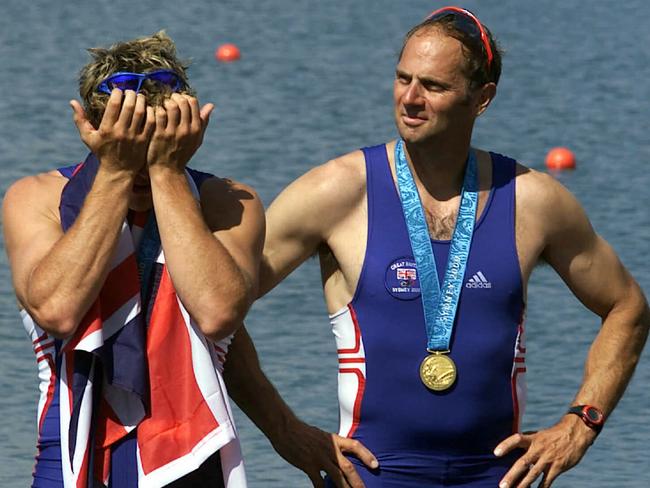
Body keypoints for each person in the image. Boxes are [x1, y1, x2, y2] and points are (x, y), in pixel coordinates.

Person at [222, 6, 650, 488]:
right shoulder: (336, 193)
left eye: (434, 86)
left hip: (498, 477)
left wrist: (580, 424)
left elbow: (627, 307)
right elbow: (216, 309)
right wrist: (284, 430)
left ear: (481, 98)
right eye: (402, 78)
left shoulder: (534, 201)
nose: (410, 98)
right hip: (371, 476)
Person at [2, 32, 264, 487]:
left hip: (191, 459)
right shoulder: (37, 198)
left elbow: (218, 312)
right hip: (71, 457)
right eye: (129, 142)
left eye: (154, 142)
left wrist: (167, 172)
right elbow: (58, 310)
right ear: (88, 126)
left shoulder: (225, 201)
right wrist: (116, 171)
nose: (142, 161)